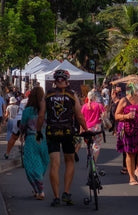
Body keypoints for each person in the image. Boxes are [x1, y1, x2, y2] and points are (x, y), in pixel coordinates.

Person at [44, 69, 87, 206]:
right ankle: (66, 193)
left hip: (52, 131)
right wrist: (86, 129)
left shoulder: (48, 95)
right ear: (67, 80)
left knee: (54, 164)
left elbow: (40, 115)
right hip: (68, 131)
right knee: (69, 161)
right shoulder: (72, 94)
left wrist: (38, 130)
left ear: (55, 81)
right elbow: (79, 115)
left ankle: (56, 197)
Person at [115, 84, 138, 185]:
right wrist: (126, 116)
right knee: (130, 153)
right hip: (128, 129)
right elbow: (116, 115)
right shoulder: (124, 100)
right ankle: (131, 178)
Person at [21, 86, 49, 200]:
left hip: (31, 139)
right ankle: (38, 187)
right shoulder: (46, 111)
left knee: (30, 165)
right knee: (42, 162)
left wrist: (21, 134)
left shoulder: (28, 111)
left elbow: (22, 125)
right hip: (44, 139)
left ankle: (40, 190)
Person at [81, 91, 106, 161]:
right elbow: (105, 115)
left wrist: (81, 129)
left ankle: (89, 158)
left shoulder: (84, 106)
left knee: (88, 145)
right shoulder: (99, 105)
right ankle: (94, 162)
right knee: (96, 146)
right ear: (95, 97)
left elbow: (81, 118)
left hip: (87, 128)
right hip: (96, 128)